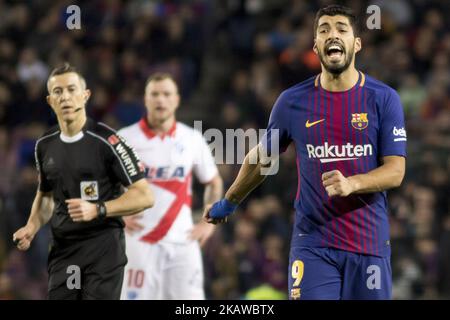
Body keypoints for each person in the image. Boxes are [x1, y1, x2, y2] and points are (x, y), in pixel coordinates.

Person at [204, 5, 407, 300]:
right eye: (324, 30)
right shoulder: (292, 102)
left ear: (357, 43)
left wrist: (353, 183)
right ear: (315, 46)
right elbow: (262, 159)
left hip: (369, 246)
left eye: (341, 29)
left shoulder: (383, 99)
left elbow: (395, 171)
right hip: (313, 245)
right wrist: (230, 201)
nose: (332, 34)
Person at [13, 63, 154, 300]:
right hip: (64, 250)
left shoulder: (108, 141)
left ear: (85, 95)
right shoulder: (44, 144)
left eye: (71, 89)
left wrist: (99, 208)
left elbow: (144, 195)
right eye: (58, 92)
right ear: (50, 101)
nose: (65, 96)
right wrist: (32, 226)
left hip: (103, 250)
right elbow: (46, 195)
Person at [118, 73, 223, 300]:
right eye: (154, 94)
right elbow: (103, 183)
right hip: (139, 241)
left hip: (182, 241)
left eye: (166, 94)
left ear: (176, 100)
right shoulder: (124, 139)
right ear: (145, 100)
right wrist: (115, 217)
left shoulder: (192, 139)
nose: (160, 100)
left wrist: (209, 222)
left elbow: (213, 182)